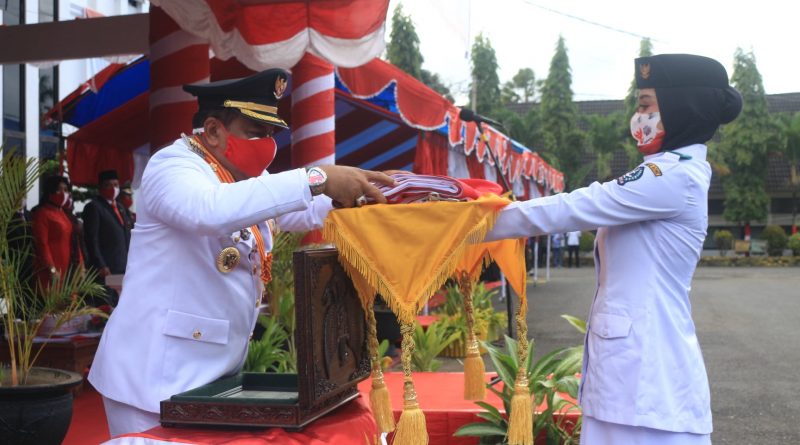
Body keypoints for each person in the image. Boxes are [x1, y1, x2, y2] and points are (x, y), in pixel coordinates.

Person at [88, 68, 394, 437]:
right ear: (213, 130)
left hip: (213, 375)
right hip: (153, 377)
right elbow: (209, 210)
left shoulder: (244, 176)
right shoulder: (172, 166)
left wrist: (364, 196)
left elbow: (300, 209)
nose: (267, 144)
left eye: (270, 134)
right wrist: (316, 177)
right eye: (255, 132)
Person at [485, 54, 743, 444]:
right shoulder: (667, 171)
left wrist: (473, 222)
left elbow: (574, 207)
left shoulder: (672, 175)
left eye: (646, 106)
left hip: (647, 377)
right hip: (627, 374)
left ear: (681, 107)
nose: (638, 118)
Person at [82, 170, 133, 281]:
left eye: (116, 185)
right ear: (100, 188)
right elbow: (92, 239)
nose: (113, 188)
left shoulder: (120, 207)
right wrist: (100, 264)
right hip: (107, 267)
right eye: (108, 185)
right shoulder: (94, 207)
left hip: (124, 265)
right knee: (109, 292)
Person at [31, 176, 80, 290]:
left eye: (66, 190)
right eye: (58, 190)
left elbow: (74, 241)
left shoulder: (64, 213)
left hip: (68, 268)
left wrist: (80, 265)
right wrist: (51, 268)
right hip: (50, 270)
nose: (63, 194)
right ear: (50, 191)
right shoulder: (42, 213)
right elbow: (42, 244)